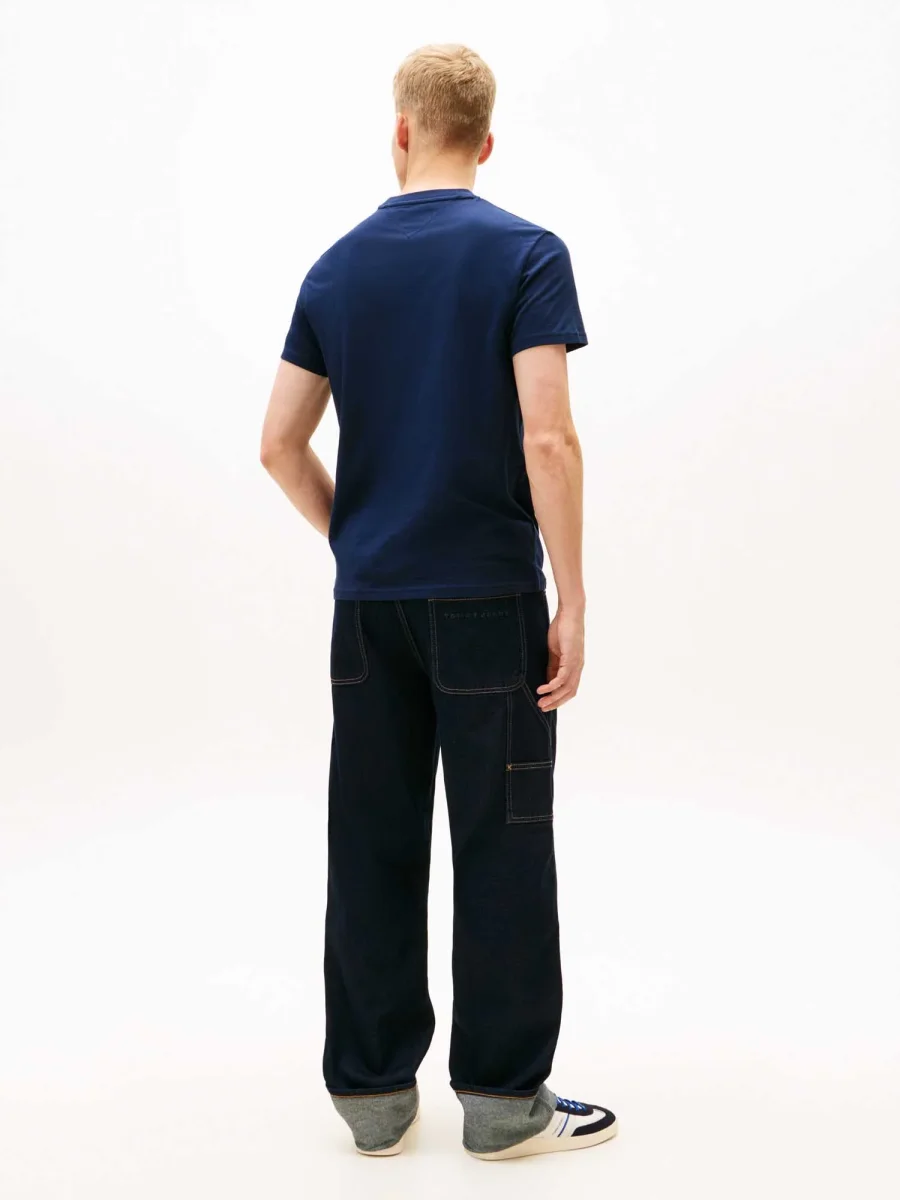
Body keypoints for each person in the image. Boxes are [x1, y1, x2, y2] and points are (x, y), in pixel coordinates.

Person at [260, 42, 617, 1161]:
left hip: (370, 610)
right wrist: (572, 595)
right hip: (488, 599)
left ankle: (372, 1097)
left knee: (370, 838)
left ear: (402, 130)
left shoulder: (335, 268)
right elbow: (548, 436)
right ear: (487, 142)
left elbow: (278, 445)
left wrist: (357, 539)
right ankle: (503, 1103)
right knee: (501, 839)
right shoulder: (526, 254)